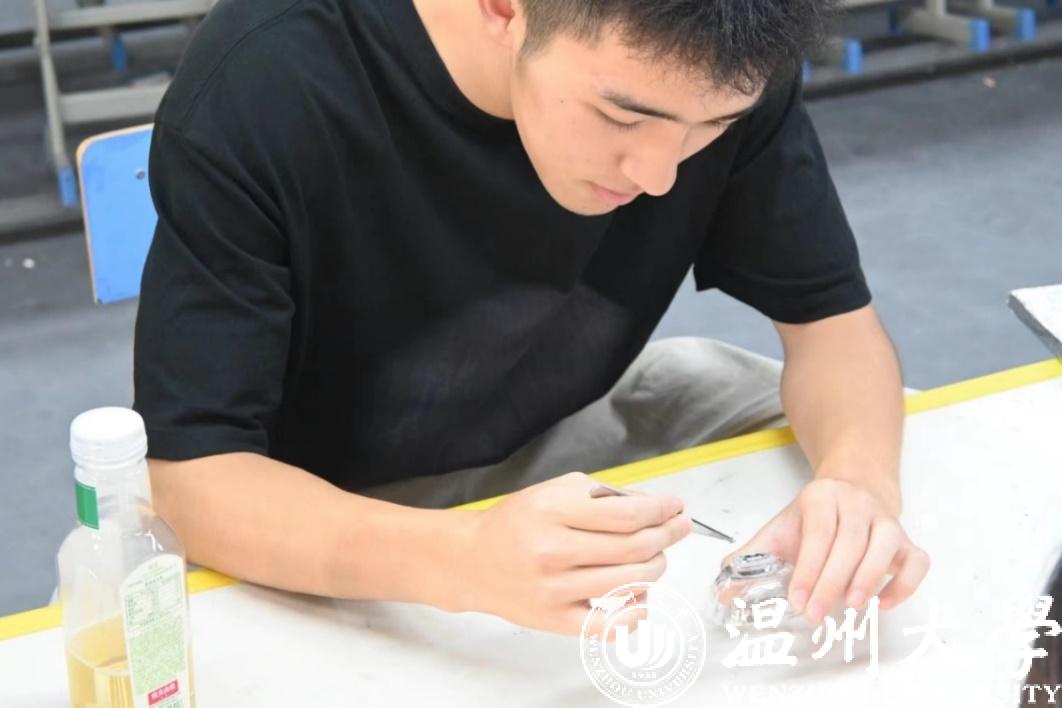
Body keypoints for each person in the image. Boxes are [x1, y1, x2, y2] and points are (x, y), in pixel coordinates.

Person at [133, 0, 929, 636]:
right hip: (342, 499)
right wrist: (460, 559)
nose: (660, 174)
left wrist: (858, 486)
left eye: (713, 128)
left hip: (564, 426)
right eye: (622, 118)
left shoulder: (726, 57)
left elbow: (835, 329)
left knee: (885, 451)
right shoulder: (270, 76)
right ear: (503, 8)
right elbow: (192, 479)